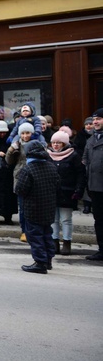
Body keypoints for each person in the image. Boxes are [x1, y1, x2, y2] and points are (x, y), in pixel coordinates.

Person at [14, 141, 60, 274]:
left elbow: (20, 189)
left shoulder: (28, 169)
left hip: (33, 209)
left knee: (35, 236)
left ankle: (40, 262)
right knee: (47, 234)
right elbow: (58, 186)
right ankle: (48, 260)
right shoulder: (51, 167)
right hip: (49, 208)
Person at [47, 130, 85, 256]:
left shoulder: (73, 156)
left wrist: (78, 190)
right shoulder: (48, 155)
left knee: (66, 219)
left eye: (59, 143)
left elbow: (80, 174)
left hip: (67, 192)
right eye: (53, 142)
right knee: (53, 219)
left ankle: (67, 243)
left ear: (64, 144)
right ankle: (54, 242)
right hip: (52, 192)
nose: (55, 145)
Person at [6, 122, 37, 242]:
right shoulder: (17, 145)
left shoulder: (36, 144)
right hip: (20, 177)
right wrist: (11, 149)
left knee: (33, 208)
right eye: (23, 133)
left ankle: (33, 230)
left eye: (27, 133)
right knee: (23, 208)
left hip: (34, 177)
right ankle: (24, 231)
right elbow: (9, 161)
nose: (25, 136)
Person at [82, 108, 103, 261]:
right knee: (99, 220)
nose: (95, 122)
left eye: (99, 119)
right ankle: (101, 249)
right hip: (94, 187)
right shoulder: (91, 140)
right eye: (94, 119)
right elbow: (85, 161)